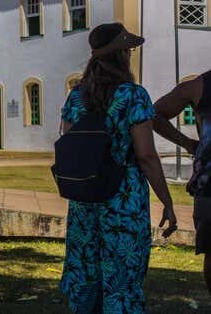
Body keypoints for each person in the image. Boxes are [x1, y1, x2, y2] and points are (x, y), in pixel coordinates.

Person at [59, 23, 177, 313]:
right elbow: (147, 155)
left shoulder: (76, 96)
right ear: (122, 55)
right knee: (122, 281)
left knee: (87, 276)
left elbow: (69, 145)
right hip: (123, 200)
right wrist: (167, 201)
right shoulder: (133, 95)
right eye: (129, 50)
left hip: (85, 198)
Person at [153, 72, 211, 293]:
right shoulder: (200, 86)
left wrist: (188, 144)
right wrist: (187, 143)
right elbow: (155, 114)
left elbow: (155, 114)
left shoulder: (200, 86)